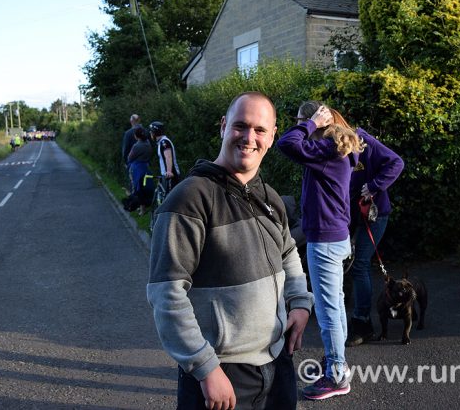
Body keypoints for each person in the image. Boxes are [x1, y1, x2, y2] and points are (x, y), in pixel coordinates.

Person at [148, 92, 313, 410]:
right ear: (223, 127)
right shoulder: (190, 199)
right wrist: (205, 367)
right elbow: (166, 294)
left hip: (277, 364)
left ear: (273, 135)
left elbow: (288, 253)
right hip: (220, 375)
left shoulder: (269, 196)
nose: (249, 137)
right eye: (241, 126)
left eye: (260, 130)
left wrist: (301, 304)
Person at [277, 100, 365, 400]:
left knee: (327, 311)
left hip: (326, 241)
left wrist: (310, 122)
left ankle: (336, 376)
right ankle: (336, 364)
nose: (300, 127)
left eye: (301, 120)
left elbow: (287, 143)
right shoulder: (334, 151)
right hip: (335, 237)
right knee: (336, 304)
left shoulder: (327, 151)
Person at [345, 127, 404, 347]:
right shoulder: (331, 145)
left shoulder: (362, 140)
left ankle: (363, 323)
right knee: (352, 265)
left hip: (374, 215)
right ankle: (356, 317)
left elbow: (396, 163)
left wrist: (374, 186)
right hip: (351, 217)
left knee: (360, 265)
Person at [149, 121, 180, 196]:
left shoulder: (164, 143)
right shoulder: (161, 142)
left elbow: (168, 157)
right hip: (167, 176)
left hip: (171, 176)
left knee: (171, 201)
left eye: (151, 132)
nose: (150, 134)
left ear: (154, 133)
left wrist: (169, 171)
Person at [127, 125, 153, 215]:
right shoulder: (148, 143)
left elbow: (129, 158)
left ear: (136, 136)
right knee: (144, 188)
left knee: (138, 189)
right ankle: (143, 206)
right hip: (146, 167)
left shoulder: (136, 146)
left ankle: (141, 209)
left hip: (137, 169)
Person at [122, 113, 143, 191]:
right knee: (143, 182)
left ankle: (134, 200)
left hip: (132, 162)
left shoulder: (128, 133)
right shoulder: (146, 131)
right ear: (139, 120)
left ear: (131, 121)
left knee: (133, 183)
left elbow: (125, 150)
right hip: (145, 162)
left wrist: (126, 161)